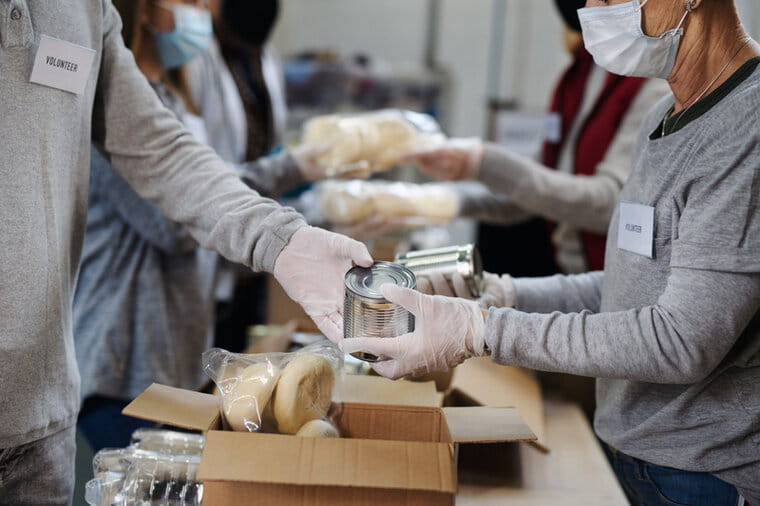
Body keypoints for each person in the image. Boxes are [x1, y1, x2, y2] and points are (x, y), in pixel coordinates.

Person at [343, 0, 760, 503]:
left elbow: (680, 341)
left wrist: (482, 330)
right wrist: (503, 295)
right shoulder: (662, 118)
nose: (591, 10)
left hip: (704, 474)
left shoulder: (748, 128)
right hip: (639, 455)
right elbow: (633, 286)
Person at [0, 1, 371, 504]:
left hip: (42, 419)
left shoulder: (84, 10)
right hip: (116, 365)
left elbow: (161, 151)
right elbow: (169, 229)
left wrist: (287, 241)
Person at [74, 0, 330, 452]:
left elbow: (208, 186)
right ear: (144, 11)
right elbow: (176, 222)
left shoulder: (172, 99)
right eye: (186, 0)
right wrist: (288, 174)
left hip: (174, 361)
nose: (201, 11)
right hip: (122, 368)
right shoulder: (116, 110)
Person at [407, 0, 670, 275]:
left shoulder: (652, 85)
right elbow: (534, 191)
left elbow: (611, 206)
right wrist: (430, 201)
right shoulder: (579, 74)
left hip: (617, 283)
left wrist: (484, 163)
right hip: (573, 276)